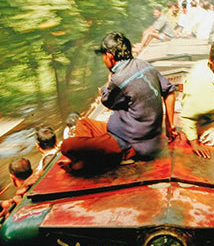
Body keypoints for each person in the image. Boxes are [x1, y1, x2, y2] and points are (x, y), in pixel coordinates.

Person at [58, 32, 176, 173]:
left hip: (128, 142)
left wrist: (110, 80)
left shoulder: (119, 79)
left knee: (66, 146)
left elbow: (107, 102)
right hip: (144, 136)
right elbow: (169, 92)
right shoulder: (146, 65)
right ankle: (94, 156)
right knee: (83, 123)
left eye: (103, 56)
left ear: (109, 55)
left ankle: (100, 159)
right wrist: (170, 126)